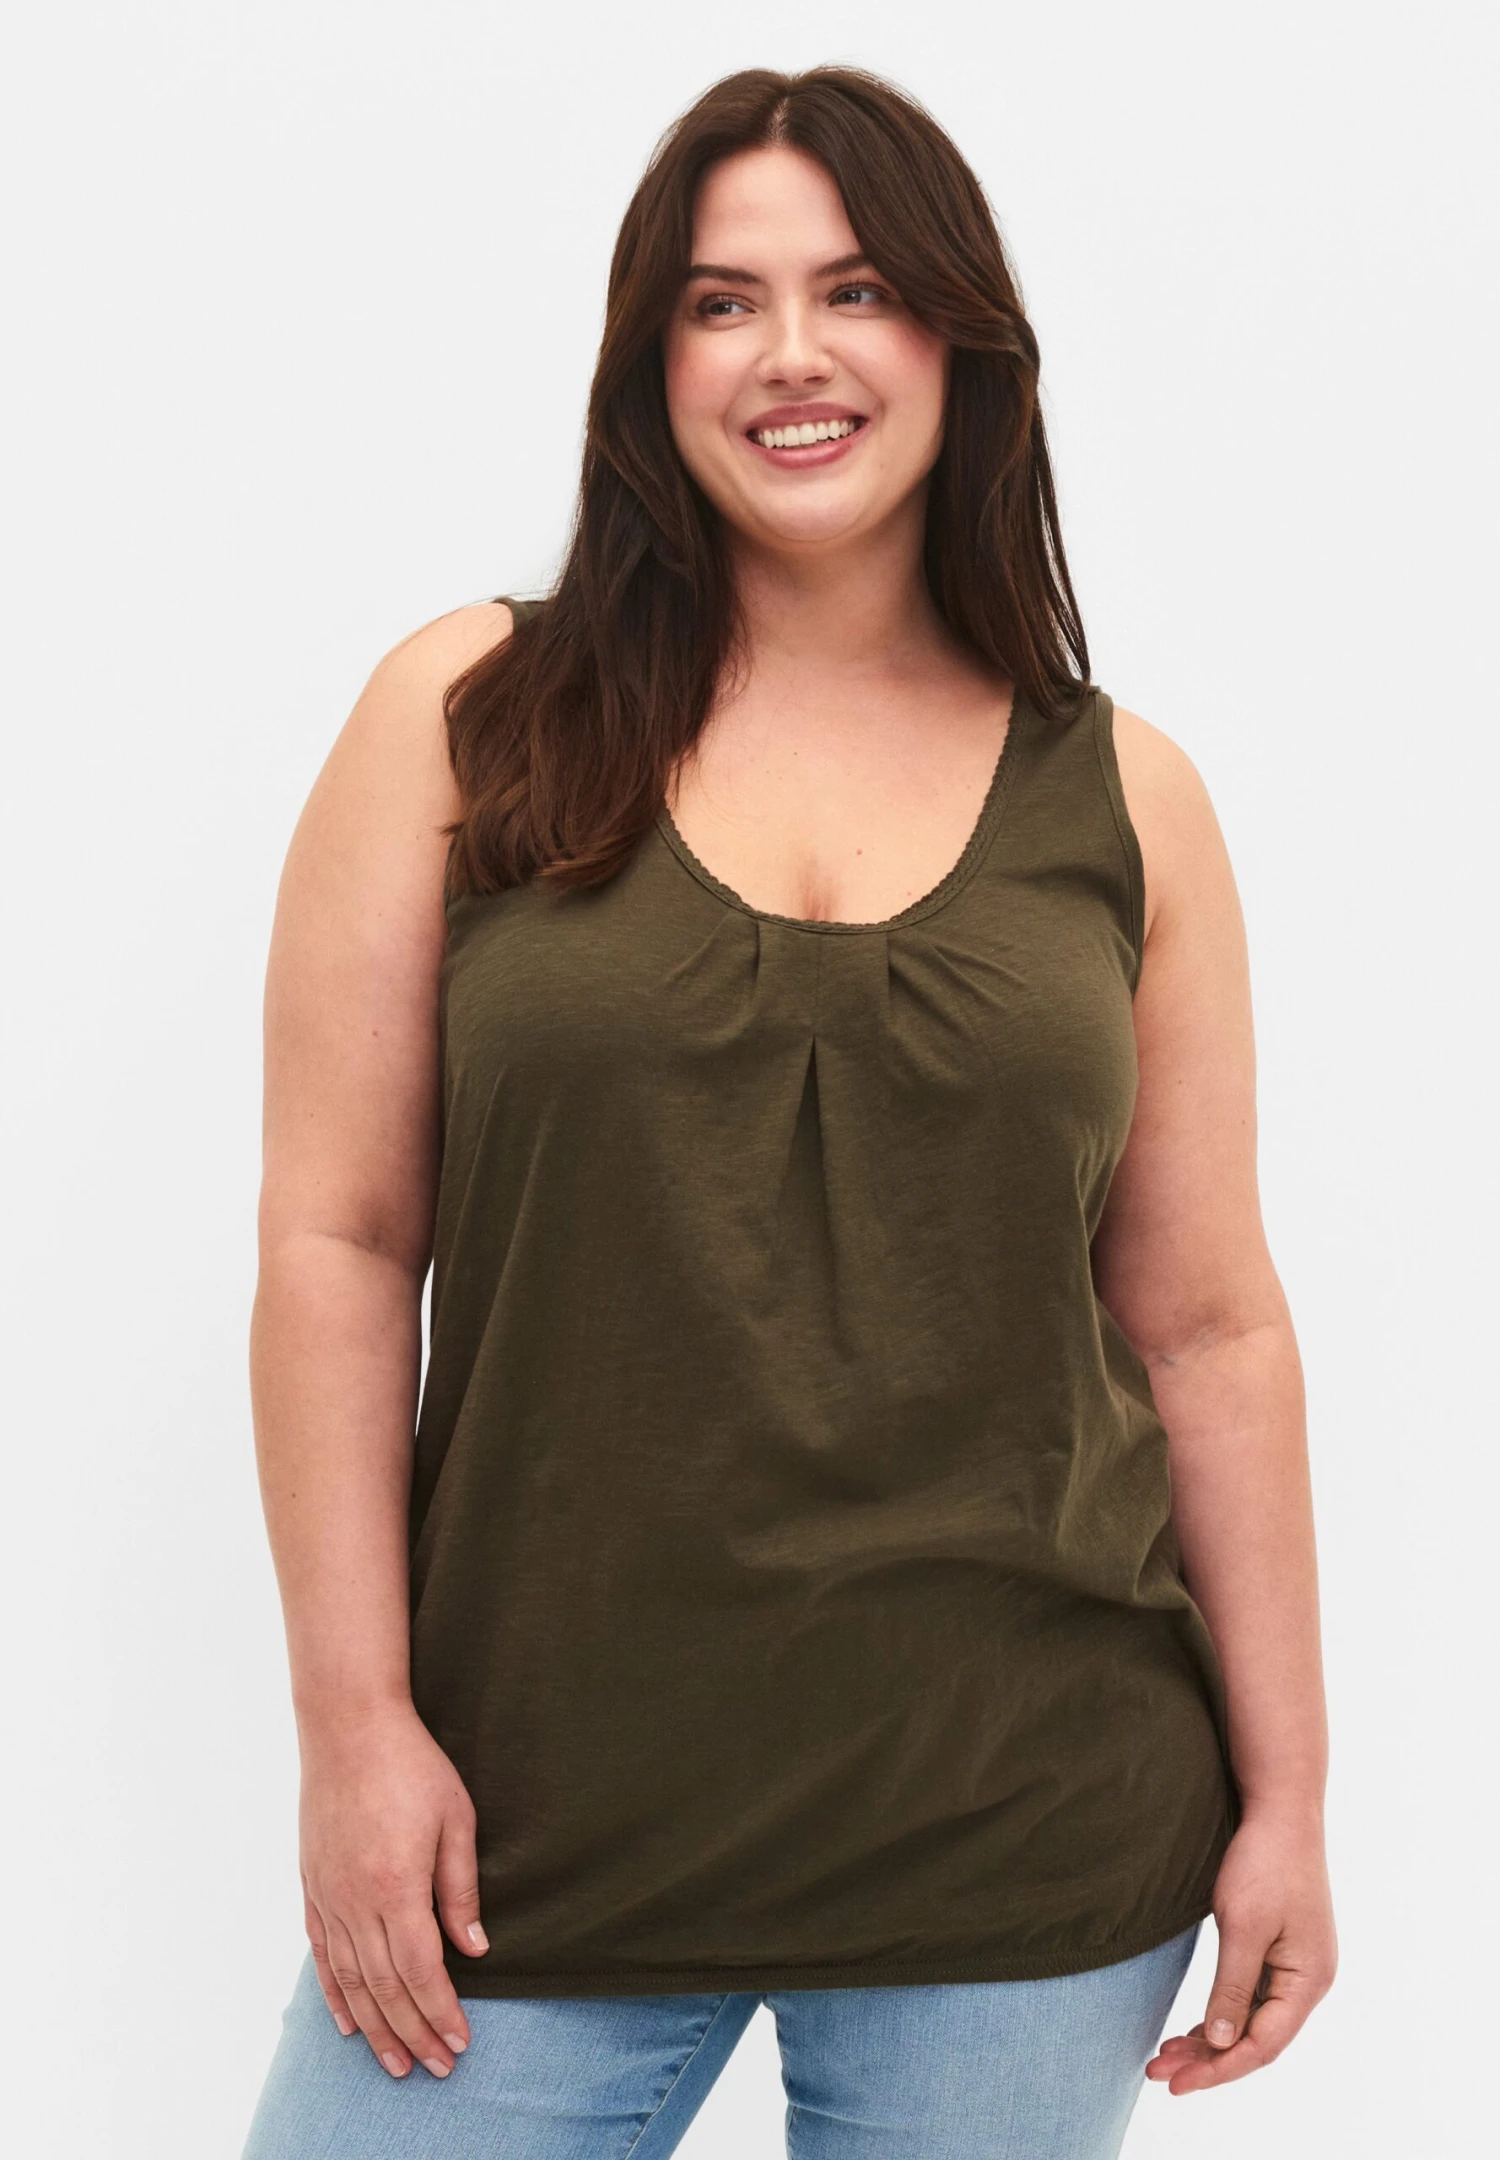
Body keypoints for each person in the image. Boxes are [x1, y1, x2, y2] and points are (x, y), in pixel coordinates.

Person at [241, 63, 1336, 2160]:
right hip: (528, 1838)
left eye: (858, 291)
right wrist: (351, 1726)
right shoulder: (466, 717)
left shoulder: (1127, 798)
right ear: (649, 363)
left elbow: (1210, 1326)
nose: (792, 355)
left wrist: (1289, 1798)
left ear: (961, 346)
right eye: (722, 302)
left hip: (1026, 1831)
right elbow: (340, 1243)